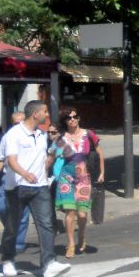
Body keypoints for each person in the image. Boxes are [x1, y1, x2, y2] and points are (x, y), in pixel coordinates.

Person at [0, 100, 70, 277]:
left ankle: (48, 264)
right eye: (45, 111)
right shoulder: (14, 134)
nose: (47, 115)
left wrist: (51, 161)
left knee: (46, 224)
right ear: (35, 114)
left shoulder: (41, 134)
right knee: (12, 226)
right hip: (17, 187)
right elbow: (11, 161)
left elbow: (45, 157)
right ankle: (7, 259)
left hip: (40, 187)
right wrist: (25, 173)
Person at [52, 106, 104, 258]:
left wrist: (102, 173)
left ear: (79, 118)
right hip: (66, 177)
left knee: (82, 214)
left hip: (83, 177)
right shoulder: (61, 138)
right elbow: (51, 157)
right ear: (65, 121)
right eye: (69, 118)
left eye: (75, 116)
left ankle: (81, 235)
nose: (72, 119)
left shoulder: (89, 135)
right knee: (70, 211)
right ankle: (71, 244)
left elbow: (100, 154)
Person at [0, 111, 30, 254]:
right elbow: (0, 159)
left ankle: (18, 243)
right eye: (15, 123)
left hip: (25, 178)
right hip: (8, 177)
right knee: (2, 207)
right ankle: (11, 229)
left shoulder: (32, 136)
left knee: (23, 212)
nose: (18, 125)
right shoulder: (7, 137)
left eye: (21, 122)